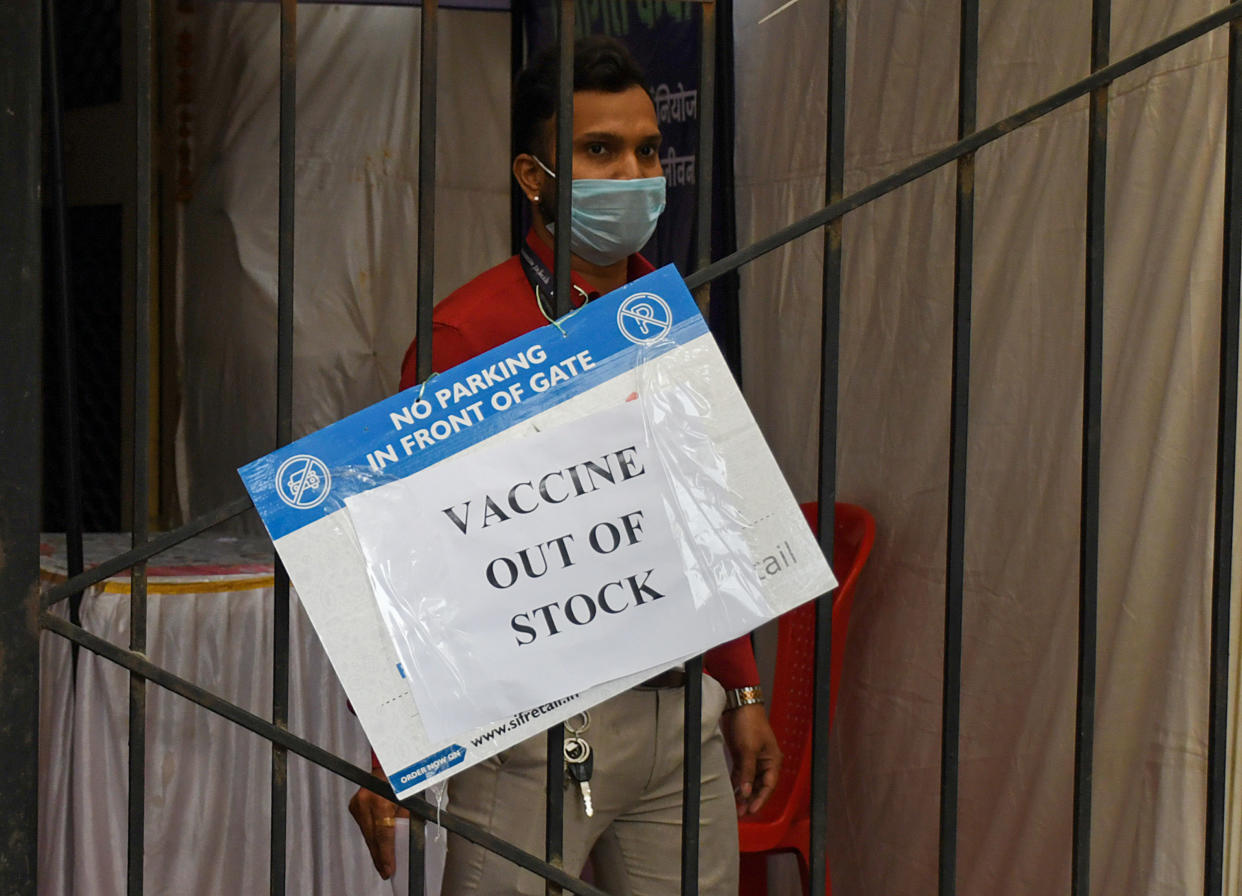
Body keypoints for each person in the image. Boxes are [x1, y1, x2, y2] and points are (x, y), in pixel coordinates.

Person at [349, 36, 781, 895]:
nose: (631, 172)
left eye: (647, 150)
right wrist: (391, 749)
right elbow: (409, 562)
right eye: (599, 150)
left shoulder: (663, 311)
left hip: (680, 718)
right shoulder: (466, 336)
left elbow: (701, 512)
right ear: (534, 175)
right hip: (538, 733)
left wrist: (739, 690)